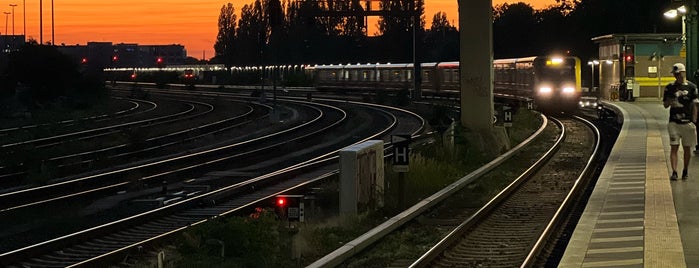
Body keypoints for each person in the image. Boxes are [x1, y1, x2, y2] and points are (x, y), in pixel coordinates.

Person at [663, 63, 699, 180]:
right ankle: (674, 172)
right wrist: (670, 99)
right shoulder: (669, 87)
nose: (676, 76)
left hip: (687, 123)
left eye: (678, 74)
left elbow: (695, 104)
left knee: (687, 148)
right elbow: (665, 105)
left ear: (683, 73)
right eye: (675, 74)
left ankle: (685, 170)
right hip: (674, 122)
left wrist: (694, 120)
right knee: (674, 147)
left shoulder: (692, 87)